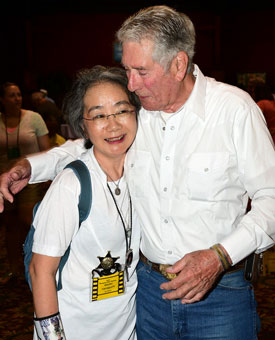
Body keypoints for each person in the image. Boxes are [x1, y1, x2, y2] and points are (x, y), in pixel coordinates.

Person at [0, 5, 275, 339]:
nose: (131, 83)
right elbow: (90, 144)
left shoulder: (234, 110)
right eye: (127, 69)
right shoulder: (140, 110)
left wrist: (218, 256)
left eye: (141, 71)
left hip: (219, 293)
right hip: (147, 293)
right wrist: (31, 166)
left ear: (178, 64)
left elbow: (271, 199)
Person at [29, 66, 141, 340]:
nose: (113, 124)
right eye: (99, 115)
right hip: (74, 331)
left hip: (125, 330)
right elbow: (40, 271)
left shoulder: (142, 172)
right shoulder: (72, 185)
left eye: (121, 110)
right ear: (84, 126)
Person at [0, 82, 50, 282]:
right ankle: (14, 269)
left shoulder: (34, 118)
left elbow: (46, 149)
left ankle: (36, 267)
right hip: (4, 181)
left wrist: (47, 177)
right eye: (11, 95)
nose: (16, 98)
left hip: (30, 180)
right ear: (2, 100)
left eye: (18, 95)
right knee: (10, 227)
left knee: (29, 222)